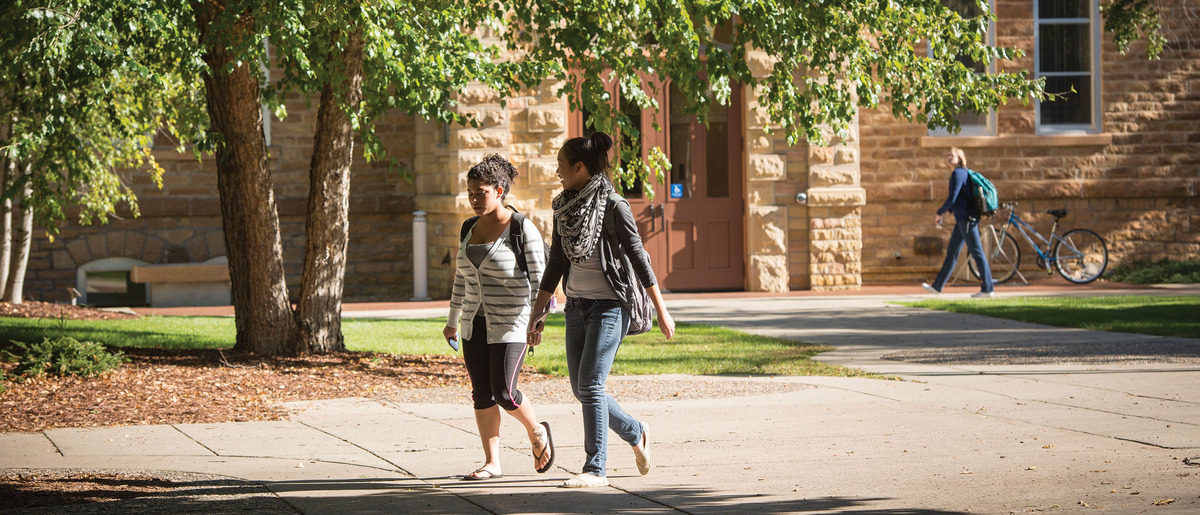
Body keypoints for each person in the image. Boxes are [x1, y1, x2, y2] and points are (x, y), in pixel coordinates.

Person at [527, 132, 676, 488]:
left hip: (611, 307)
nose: (558, 172)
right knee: (582, 389)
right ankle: (636, 431)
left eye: (562, 166)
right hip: (576, 307)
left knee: (591, 385)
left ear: (580, 167)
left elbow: (639, 258)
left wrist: (662, 309)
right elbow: (556, 262)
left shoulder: (614, 206)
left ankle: (596, 469)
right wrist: (538, 312)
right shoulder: (563, 206)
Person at [444, 154, 554, 480]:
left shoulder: (521, 228)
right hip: (473, 323)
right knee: (481, 392)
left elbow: (541, 281)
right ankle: (492, 462)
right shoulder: (468, 227)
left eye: (482, 193)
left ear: (500, 190)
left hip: (513, 322)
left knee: (504, 391)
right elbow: (461, 279)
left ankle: (537, 432)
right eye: (471, 193)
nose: (475, 199)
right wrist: (452, 320)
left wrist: (539, 322)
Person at [923, 147, 995, 298]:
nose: (949, 157)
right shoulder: (962, 173)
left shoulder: (958, 173)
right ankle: (937, 287)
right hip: (963, 219)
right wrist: (948, 212)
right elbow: (960, 199)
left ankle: (988, 289)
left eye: (952, 155)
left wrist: (940, 212)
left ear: (960, 158)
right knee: (952, 253)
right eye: (947, 155)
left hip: (967, 219)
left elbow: (953, 197)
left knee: (977, 252)